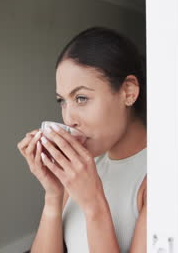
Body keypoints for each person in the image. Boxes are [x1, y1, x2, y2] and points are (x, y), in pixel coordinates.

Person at [17, 26, 147, 253]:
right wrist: (53, 195)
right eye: (62, 101)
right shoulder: (84, 168)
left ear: (128, 92)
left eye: (81, 98)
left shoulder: (162, 180)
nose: (69, 118)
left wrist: (94, 204)